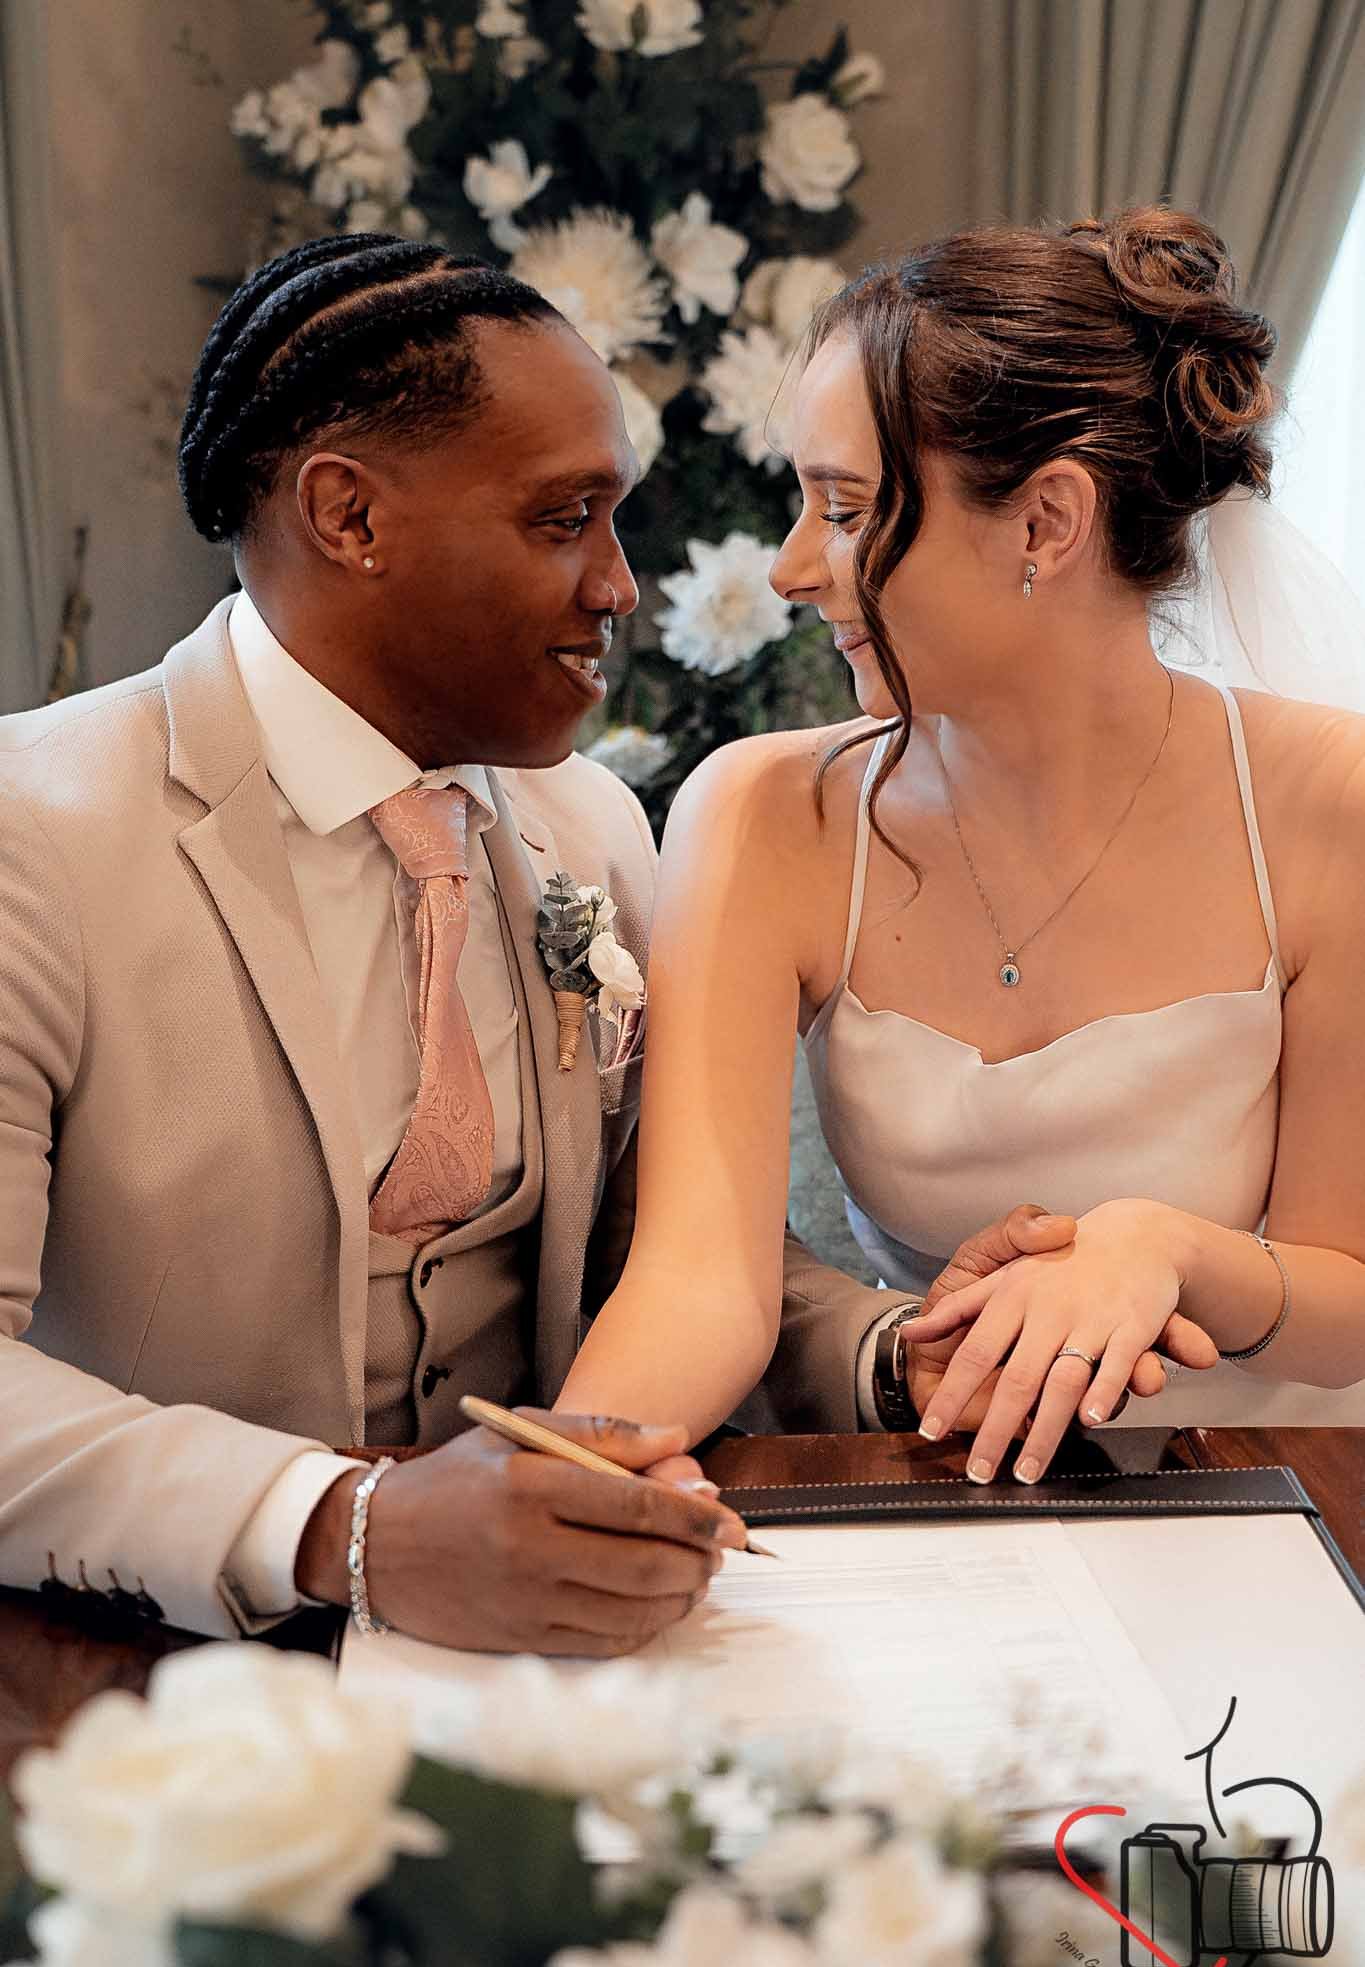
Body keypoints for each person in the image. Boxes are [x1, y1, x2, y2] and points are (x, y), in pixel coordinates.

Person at [0, 234, 1061, 1656]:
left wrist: (885, 1351)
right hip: (134, 1665)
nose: (621, 587)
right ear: (348, 517)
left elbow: (659, 1242)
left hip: (547, 1659)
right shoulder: (36, 834)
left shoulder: (591, 825)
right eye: (565, 519)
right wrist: (340, 1525)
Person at [554, 206, 1365, 1482]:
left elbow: (1347, 1307)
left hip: (1267, 1490)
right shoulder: (766, 814)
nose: (789, 569)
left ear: (1046, 523)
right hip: (939, 1479)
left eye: (844, 507)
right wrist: (570, 1474)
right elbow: (699, 1279)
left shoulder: (1331, 799)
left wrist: (1165, 1246)